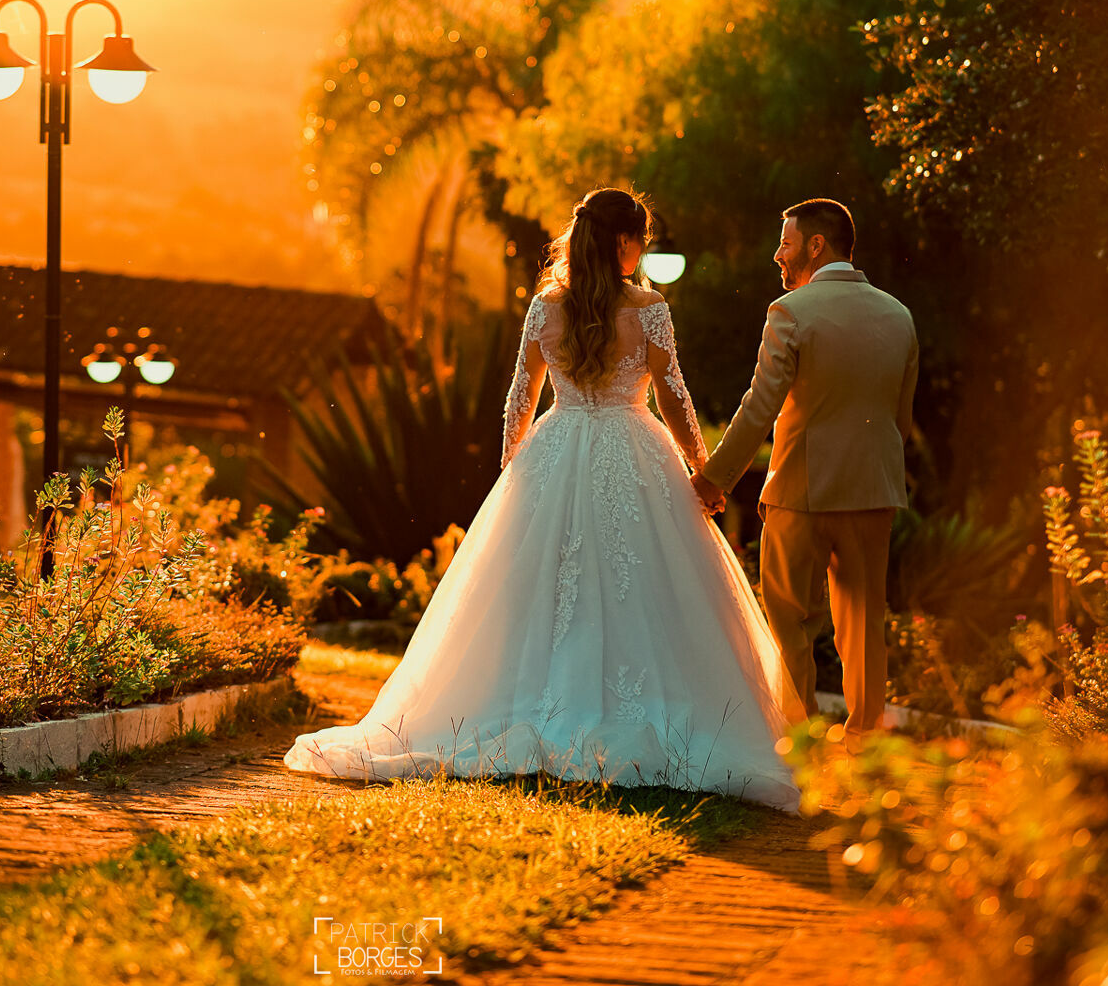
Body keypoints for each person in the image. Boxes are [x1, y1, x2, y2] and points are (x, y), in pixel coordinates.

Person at [284, 188, 800, 810]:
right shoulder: (649, 308)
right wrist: (702, 471)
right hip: (635, 450)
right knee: (640, 583)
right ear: (625, 243)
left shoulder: (545, 307)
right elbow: (673, 398)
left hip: (555, 446)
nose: (644, 250)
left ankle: (525, 701)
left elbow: (518, 397)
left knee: (547, 588)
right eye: (641, 239)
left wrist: (515, 473)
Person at [695, 198, 918, 736]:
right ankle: (863, 744)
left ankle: (802, 741)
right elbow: (901, 419)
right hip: (872, 491)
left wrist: (713, 477)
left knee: (790, 621)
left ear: (816, 246)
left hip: (801, 491)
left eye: (786, 243)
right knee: (864, 626)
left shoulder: (790, 311)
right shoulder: (899, 315)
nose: (778, 255)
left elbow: (759, 405)